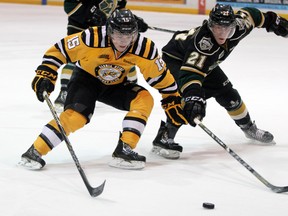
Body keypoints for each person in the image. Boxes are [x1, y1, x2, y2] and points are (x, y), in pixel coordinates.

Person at [18, 9, 187, 170]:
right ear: (110, 31)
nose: (123, 41)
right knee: (76, 117)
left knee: (144, 99)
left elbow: (160, 76)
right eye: (119, 35)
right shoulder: (92, 37)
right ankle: (34, 151)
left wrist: (171, 96)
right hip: (86, 80)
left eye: (129, 36)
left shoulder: (144, 48)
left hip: (115, 85)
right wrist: (46, 72)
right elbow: (60, 50)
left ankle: (124, 149)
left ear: (136, 34)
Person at [152, 4, 288, 159]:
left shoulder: (240, 26)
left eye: (227, 29)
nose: (222, 33)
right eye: (218, 28)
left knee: (228, 94)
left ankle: (249, 128)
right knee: (186, 100)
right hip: (176, 60)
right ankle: (163, 137)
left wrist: (273, 21)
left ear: (234, 25)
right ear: (210, 25)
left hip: (206, 62)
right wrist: (194, 96)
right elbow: (190, 74)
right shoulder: (203, 44)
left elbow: (252, 15)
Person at [54, 0, 148, 112]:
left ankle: (129, 89)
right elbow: (70, 4)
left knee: (123, 56)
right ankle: (65, 91)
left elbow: (119, 9)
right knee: (76, 58)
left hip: (105, 29)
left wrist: (131, 21)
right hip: (81, 26)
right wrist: (92, 13)